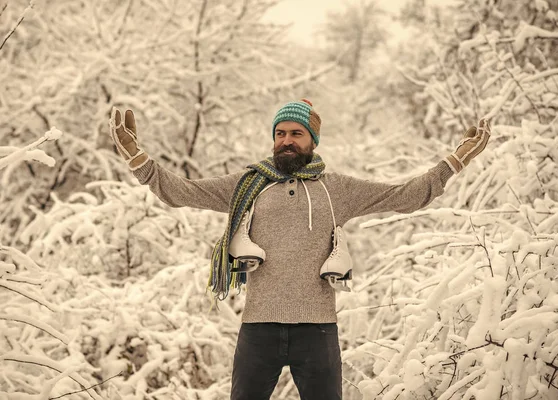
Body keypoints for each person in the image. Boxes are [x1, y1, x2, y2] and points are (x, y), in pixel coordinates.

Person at [109, 99, 491, 400]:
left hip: (317, 329)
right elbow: (183, 192)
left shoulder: (336, 189)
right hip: (258, 326)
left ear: (312, 141)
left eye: (296, 133)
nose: (286, 141)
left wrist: (453, 163)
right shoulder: (249, 184)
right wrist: (138, 160)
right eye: (280, 134)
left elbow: (404, 196)